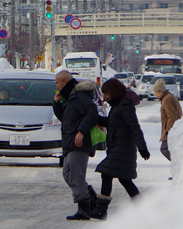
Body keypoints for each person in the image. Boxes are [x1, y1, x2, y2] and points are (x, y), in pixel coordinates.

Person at [90, 78, 150, 220]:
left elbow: (134, 127)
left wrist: (143, 148)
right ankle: (144, 209)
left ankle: (101, 210)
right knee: (124, 179)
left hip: (123, 149)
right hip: (118, 148)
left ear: (114, 91)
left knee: (106, 172)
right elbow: (113, 123)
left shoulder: (125, 106)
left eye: (107, 93)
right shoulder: (117, 105)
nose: (105, 97)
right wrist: (96, 118)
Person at [53, 70, 100, 220]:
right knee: (68, 173)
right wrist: (57, 104)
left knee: (75, 175)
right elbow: (65, 119)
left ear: (64, 82)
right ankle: (91, 197)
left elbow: (93, 112)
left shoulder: (79, 96)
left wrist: (81, 131)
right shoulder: (70, 97)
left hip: (79, 143)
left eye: (57, 83)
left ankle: (85, 209)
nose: (56, 86)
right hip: (69, 142)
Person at [153, 78, 183, 162]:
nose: (155, 94)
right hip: (173, 128)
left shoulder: (167, 100)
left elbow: (172, 116)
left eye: (156, 92)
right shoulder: (168, 97)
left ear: (160, 91)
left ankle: (178, 164)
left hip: (170, 129)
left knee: (164, 149)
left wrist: (168, 130)